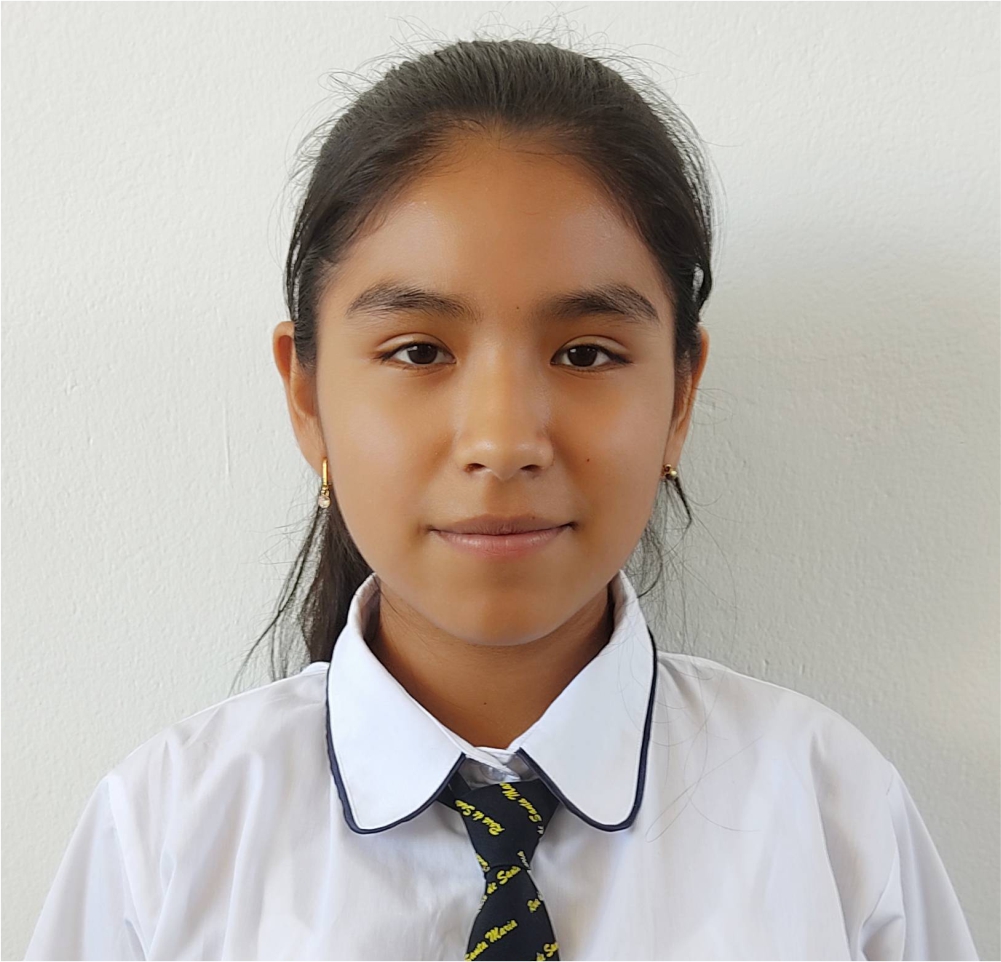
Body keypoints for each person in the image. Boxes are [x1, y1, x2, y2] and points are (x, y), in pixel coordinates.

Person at [24, 36, 978, 962]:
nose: (503, 441)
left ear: (680, 396)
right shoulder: (164, 837)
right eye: (418, 351)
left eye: (585, 354)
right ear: (307, 396)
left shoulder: (830, 817)